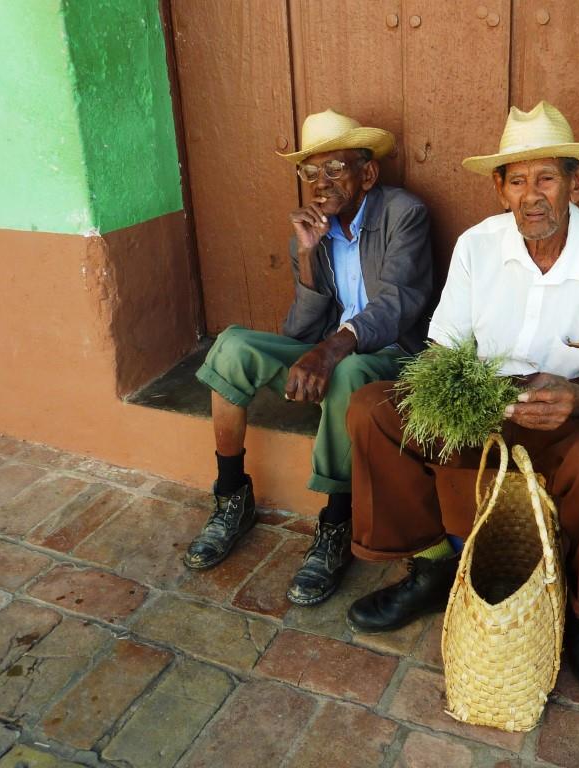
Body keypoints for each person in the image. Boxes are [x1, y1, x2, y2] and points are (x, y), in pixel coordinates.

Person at [344, 101, 579, 695]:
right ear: (499, 188)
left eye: (548, 178)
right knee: (372, 410)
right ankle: (433, 567)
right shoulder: (478, 246)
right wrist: (456, 400)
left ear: (576, 183)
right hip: (479, 403)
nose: (533, 196)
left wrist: (574, 401)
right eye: (518, 180)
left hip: (569, 411)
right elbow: (442, 350)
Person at [184, 109, 433, 610]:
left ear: (368, 173)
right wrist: (305, 254)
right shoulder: (316, 230)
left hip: (389, 358)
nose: (321, 184)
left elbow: (396, 306)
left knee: (350, 370)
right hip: (327, 352)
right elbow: (299, 329)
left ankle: (335, 525)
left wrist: (329, 350)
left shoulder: (404, 213)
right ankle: (232, 496)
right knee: (232, 345)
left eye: (335, 169)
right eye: (310, 173)